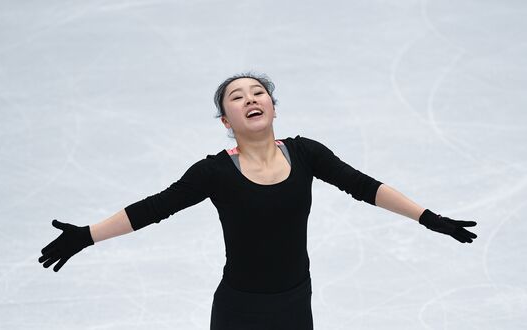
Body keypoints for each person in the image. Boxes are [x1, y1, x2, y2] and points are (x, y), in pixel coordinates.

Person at [38, 72, 478, 329]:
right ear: (226, 121)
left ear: (272, 106)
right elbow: (153, 209)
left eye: (257, 92)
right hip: (238, 309)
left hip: (294, 304)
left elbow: (364, 186)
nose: (250, 99)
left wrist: (427, 217)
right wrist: (86, 236)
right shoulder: (213, 172)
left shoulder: (306, 153)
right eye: (237, 97)